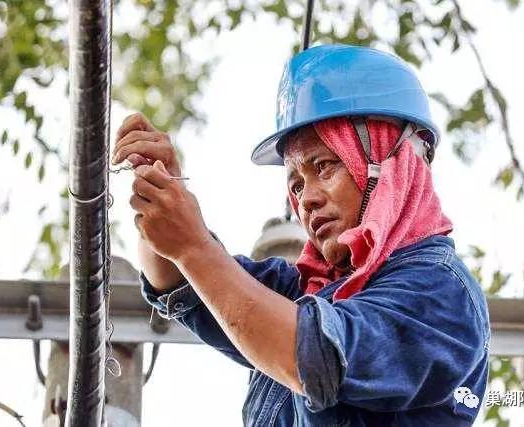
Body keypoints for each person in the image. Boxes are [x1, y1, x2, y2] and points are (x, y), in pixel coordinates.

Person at [112, 44, 490, 426]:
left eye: (324, 166)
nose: (305, 198)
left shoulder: (440, 292)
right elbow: (182, 283)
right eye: (295, 184)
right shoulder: (305, 291)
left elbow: (314, 356)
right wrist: (160, 190)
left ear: (390, 165)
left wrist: (192, 246)